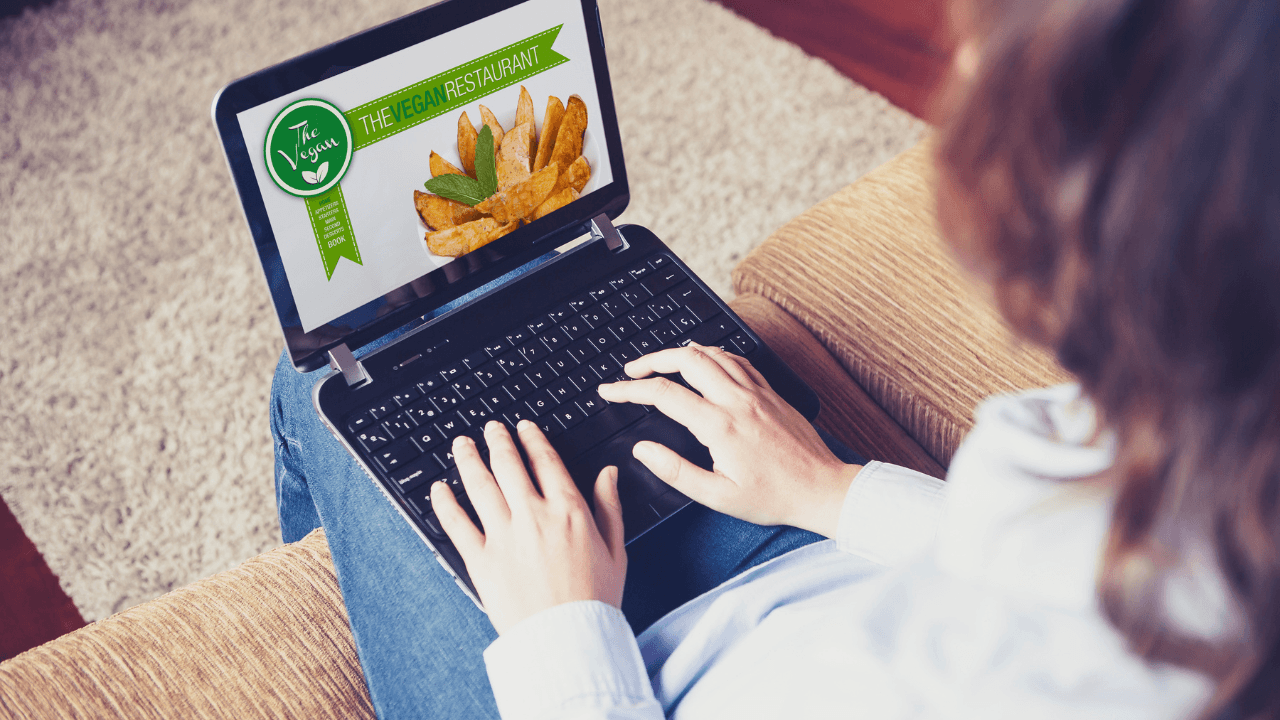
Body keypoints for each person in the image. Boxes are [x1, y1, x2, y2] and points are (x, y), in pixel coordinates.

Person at [269, 0, 1280, 716]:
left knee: (326, 379)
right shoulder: (1223, 464)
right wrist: (833, 493)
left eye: (995, 77)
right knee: (495, 307)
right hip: (812, 563)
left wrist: (560, 630)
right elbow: (1068, 567)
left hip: (597, 679)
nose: (962, 79)